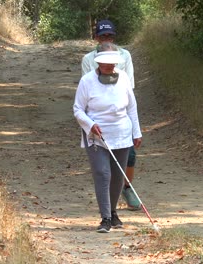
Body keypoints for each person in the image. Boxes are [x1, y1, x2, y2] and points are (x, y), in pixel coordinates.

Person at [74, 43, 142, 233]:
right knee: (103, 174)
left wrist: (137, 132)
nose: (109, 66)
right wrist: (90, 125)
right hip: (97, 136)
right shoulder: (87, 81)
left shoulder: (124, 78)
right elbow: (78, 109)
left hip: (121, 134)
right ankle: (105, 218)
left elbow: (132, 107)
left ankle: (113, 213)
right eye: (105, 63)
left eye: (112, 63)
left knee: (117, 177)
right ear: (98, 62)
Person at [81, 19, 141, 210]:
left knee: (129, 155)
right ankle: (108, 208)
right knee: (104, 164)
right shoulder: (88, 60)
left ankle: (127, 187)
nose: (107, 38)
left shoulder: (125, 55)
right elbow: (87, 86)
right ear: (96, 38)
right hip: (98, 115)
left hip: (120, 111)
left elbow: (128, 86)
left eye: (110, 35)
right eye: (103, 35)